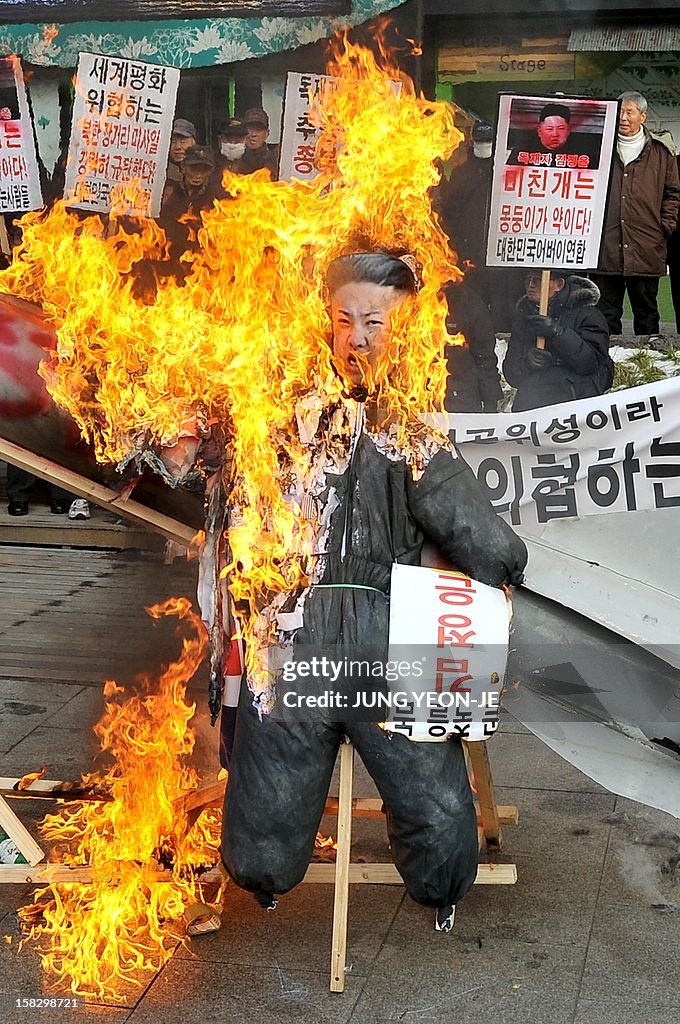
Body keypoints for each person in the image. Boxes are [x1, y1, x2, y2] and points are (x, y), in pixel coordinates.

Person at [208, 252, 528, 931]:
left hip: (376, 642)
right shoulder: (283, 421)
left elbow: (474, 529)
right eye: (344, 320)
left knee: (424, 798)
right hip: (306, 639)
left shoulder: (405, 430)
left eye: (374, 322)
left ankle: (433, 887)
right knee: (280, 810)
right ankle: (279, 877)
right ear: (325, 324)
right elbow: (488, 543)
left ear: (400, 328)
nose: (358, 336)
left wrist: (497, 562)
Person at [590, 91, 680, 343]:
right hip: (605, 246)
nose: (623, 117)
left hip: (646, 245)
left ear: (643, 116)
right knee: (605, 312)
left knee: (646, 312)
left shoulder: (662, 153)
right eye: (620, 111)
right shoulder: (600, 148)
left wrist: (665, 226)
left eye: (629, 112)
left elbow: (673, 192)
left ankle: (647, 362)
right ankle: (605, 362)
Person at [503, 269, 613, 412]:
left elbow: (590, 363)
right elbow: (511, 374)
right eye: (527, 279)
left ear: (558, 285)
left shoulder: (588, 314)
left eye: (537, 280)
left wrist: (558, 333)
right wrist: (527, 363)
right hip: (532, 403)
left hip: (575, 402)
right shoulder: (524, 318)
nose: (530, 285)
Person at [507, 102, 600, 169]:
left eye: (561, 128)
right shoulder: (522, 151)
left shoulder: (584, 153)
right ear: (539, 131)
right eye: (549, 129)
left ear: (569, 130)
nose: (555, 134)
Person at [237, 107, 279, 178]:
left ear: (267, 134)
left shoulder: (275, 160)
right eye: (250, 129)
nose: (253, 134)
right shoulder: (234, 160)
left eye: (258, 129)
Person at [213, 117, 248, 182]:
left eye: (238, 140)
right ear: (219, 140)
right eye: (228, 139)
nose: (232, 144)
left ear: (246, 140)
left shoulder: (256, 166)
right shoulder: (210, 165)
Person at [166, 118, 197, 186]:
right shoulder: (160, 171)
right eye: (173, 141)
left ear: (193, 143)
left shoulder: (203, 170)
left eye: (183, 141)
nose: (177, 147)